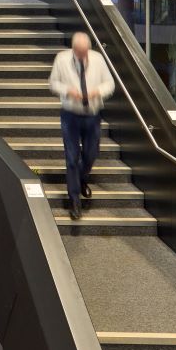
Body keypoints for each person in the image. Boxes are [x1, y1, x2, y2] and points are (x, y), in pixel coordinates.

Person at [48, 32, 115, 220]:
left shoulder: (98, 59)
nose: (83, 57)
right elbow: (53, 83)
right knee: (71, 158)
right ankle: (74, 199)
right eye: (79, 53)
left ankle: (81, 177)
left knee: (91, 154)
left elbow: (110, 83)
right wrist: (68, 91)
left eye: (85, 52)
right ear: (73, 50)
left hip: (92, 114)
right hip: (70, 114)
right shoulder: (61, 59)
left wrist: (97, 92)